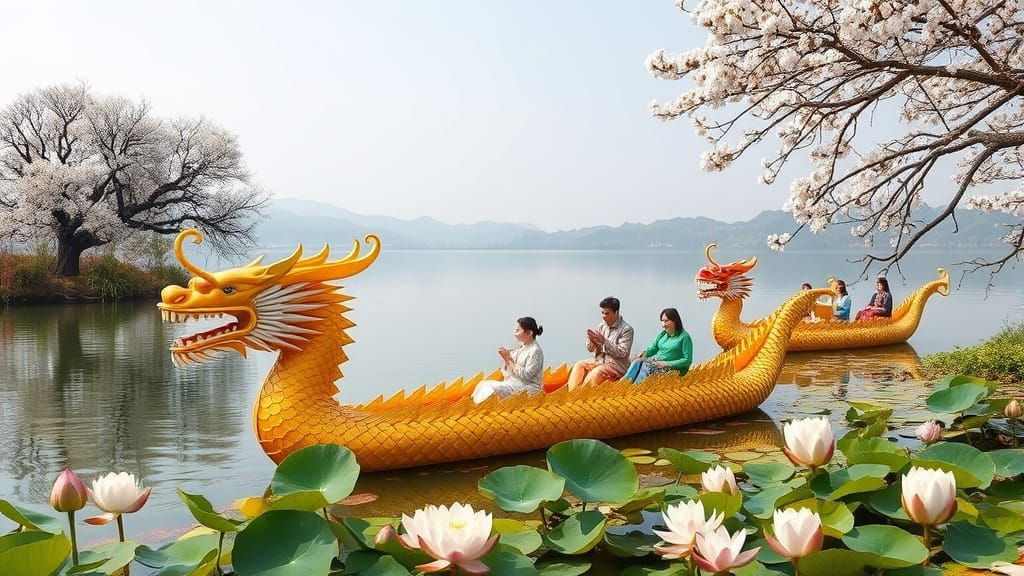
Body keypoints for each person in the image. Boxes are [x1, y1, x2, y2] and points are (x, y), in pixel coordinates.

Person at [472, 317, 545, 404]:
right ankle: (474, 406)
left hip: (529, 388)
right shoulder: (521, 349)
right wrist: (506, 359)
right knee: (483, 384)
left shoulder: (535, 351)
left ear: (529, 332)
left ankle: (478, 408)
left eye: (517, 330)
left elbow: (527, 375)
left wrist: (508, 359)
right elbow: (509, 371)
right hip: (515, 384)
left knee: (492, 389)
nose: (515, 333)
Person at [566, 297, 634, 390]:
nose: (603, 316)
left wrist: (604, 342)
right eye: (602, 313)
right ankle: (572, 394)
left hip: (617, 366)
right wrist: (591, 340)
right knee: (579, 365)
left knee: (597, 372)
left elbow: (623, 353)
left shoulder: (626, 329)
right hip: (600, 361)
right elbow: (591, 349)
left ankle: (581, 395)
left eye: (607, 313)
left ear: (616, 312)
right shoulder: (602, 326)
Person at [624, 308, 693, 383]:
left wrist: (667, 364)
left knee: (646, 368)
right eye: (662, 321)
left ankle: (636, 389)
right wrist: (644, 353)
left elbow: (687, 360)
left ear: (675, 321)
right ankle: (624, 384)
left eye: (666, 321)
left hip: (673, 369)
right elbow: (653, 348)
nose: (663, 324)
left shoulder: (684, 337)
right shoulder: (662, 335)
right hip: (657, 363)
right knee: (637, 362)